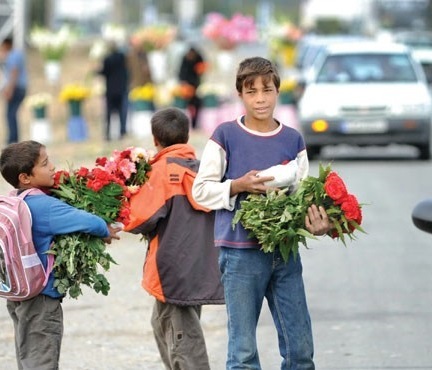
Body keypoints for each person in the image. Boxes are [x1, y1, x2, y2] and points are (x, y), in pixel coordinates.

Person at [192, 57, 331, 369]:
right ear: (240, 95)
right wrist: (238, 185)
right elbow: (199, 191)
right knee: (242, 354)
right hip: (240, 255)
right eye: (251, 92)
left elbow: (302, 195)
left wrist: (321, 224)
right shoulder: (225, 135)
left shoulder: (292, 139)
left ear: (277, 92)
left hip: (285, 253)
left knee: (300, 350)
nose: (260, 99)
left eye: (266, 90)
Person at [0, 140, 121, 369]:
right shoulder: (43, 206)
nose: (53, 167)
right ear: (25, 177)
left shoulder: (15, 198)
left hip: (17, 295)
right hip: (41, 298)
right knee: (41, 360)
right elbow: (89, 221)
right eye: (45, 164)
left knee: (28, 354)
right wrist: (105, 229)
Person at [123, 107, 224, 370]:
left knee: (183, 341)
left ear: (155, 140)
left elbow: (138, 220)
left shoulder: (162, 173)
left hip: (172, 270)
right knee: (165, 326)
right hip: (198, 268)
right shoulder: (201, 170)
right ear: (187, 136)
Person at [97, 41, 129, 141]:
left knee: (109, 113)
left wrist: (97, 70)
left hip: (111, 90)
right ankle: (122, 131)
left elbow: (104, 72)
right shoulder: (122, 58)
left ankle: (108, 134)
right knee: (122, 112)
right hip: (121, 89)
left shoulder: (107, 59)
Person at [0, 37, 28, 144]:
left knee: (10, 114)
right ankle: (14, 138)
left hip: (16, 88)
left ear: (6, 45)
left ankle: (13, 139)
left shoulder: (12, 56)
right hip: (21, 88)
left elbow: (14, 73)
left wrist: (9, 90)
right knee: (12, 113)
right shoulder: (18, 54)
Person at [178, 46, 205, 129]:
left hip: (196, 86)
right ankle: (186, 124)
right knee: (186, 107)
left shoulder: (199, 58)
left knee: (197, 106)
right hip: (187, 87)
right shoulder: (185, 59)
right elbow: (181, 73)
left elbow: (202, 70)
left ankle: (194, 124)